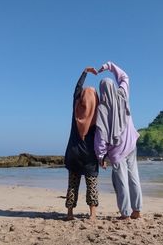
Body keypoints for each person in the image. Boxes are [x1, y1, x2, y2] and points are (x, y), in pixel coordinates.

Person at [94, 61, 142, 220]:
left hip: (117, 151)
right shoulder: (122, 95)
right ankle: (137, 210)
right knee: (134, 178)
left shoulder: (102, 108)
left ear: (102, 91)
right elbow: (124, 77)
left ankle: (125, 214)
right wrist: (109, 66)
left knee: (121, 182)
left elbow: (101, 134)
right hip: (131, 146)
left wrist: (100, 156)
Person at [64, 66, 100, 221]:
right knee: (91, 184)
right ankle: (92, 214)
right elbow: (101, 140)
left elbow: (77, 90)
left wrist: (84, 73)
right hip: (90, 156)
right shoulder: (97, 117)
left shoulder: (76, 112)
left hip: (73, 153)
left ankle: (70, 213)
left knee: (73, 184)